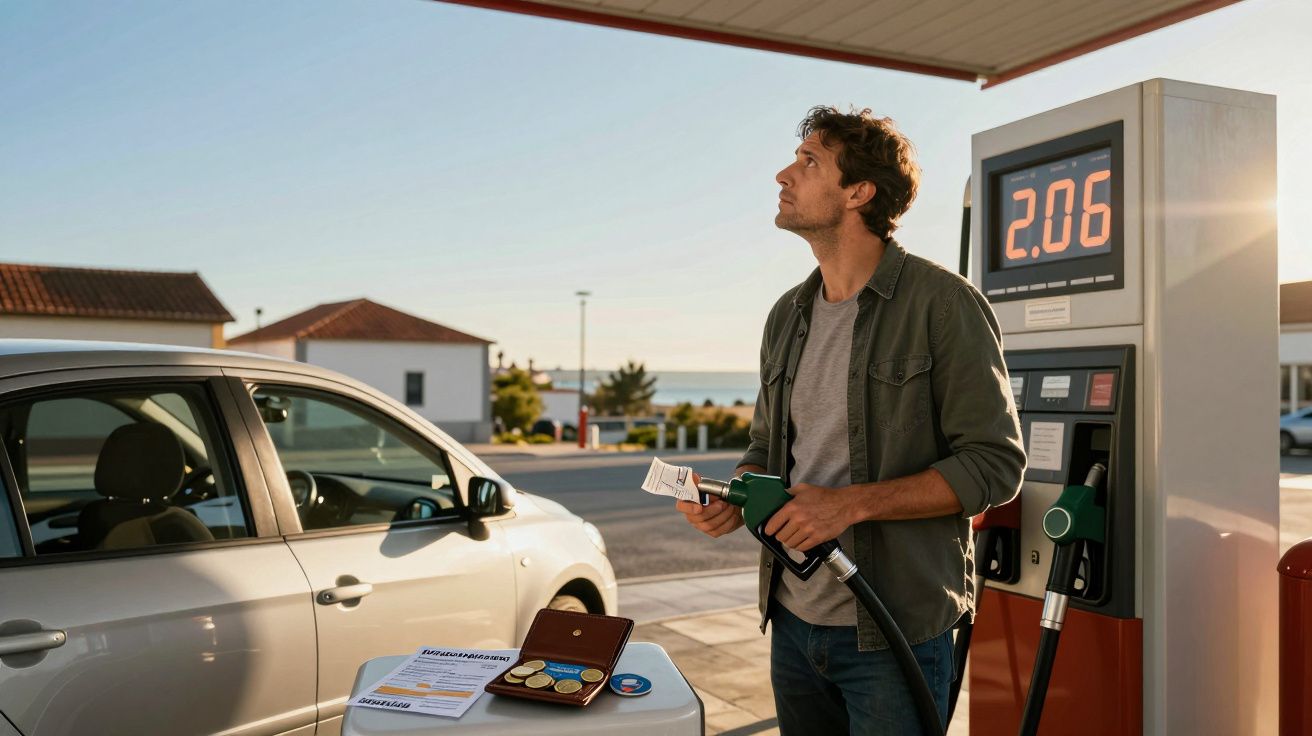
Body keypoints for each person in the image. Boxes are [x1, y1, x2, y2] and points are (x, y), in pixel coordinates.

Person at [677, 107, 1025, 735]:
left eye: (810, 162)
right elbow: (765, 447)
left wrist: (849, 506)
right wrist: (735, 492)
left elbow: (995, 467)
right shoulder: (787, 315)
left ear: (859, 192)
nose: (785, 174)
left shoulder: (944, 306)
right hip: (792, 619)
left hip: (895, 630)